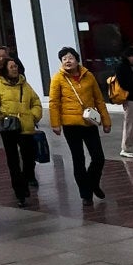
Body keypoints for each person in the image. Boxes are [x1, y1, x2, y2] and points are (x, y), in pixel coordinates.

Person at [49, 46, 110, 206]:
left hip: (89, 122)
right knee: (78, 159)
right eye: (64, 59)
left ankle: (93, 183)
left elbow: (99, 100)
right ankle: (86, 194)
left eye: (70, 58)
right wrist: (55, 124)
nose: (67, 61)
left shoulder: (88, 76)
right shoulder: (58, 78)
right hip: (71, 125)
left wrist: (106, 121)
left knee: (98, 158)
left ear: (77, 60)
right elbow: (54, 103)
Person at [0, 55, 43, 206]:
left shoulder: (24, 83)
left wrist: (34, 116)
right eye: (11, 67)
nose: (14, 69)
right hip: (8, 127)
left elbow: (36, 101)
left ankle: (26, 179)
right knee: (13, 160)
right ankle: (20, 192)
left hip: (25, 125)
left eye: (16, 66)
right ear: (4, 70)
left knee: (29, 158)